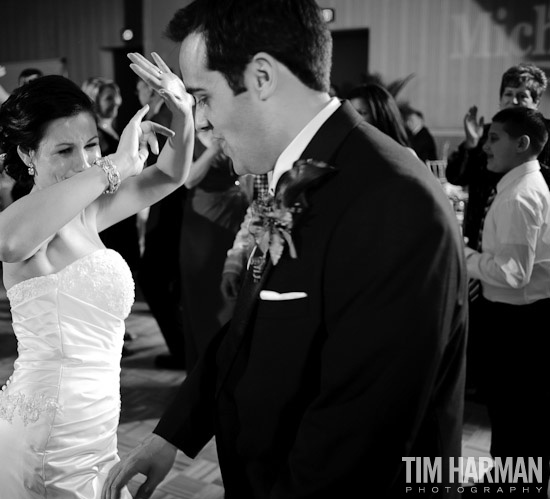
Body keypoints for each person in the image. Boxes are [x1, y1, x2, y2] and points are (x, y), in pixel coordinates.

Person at [104, 1, 467, 498]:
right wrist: (175, 432)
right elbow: (249, 327)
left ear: (261, 77)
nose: (203, 125)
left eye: (204, 98)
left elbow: (356, 440)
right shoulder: (297, 176)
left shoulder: (393, 202)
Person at [0, 63, 193, 498]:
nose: (84, 162)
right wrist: (115, 166)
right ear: (27, 154)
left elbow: (169, 175)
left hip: (96, 433)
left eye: (91, 146)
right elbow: (7, 242)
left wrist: (182, 112)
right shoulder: (24, 225)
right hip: (43, 440)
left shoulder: (88, 212)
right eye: (64, 151)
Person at [445, 63, 550, 397]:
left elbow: (513, 271)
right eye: (509, 94)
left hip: (517, 282)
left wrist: (461, 252)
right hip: (484, 240)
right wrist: (471, 144)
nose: (515, 100)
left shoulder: (529, 159)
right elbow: (458, 177)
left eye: (524, 95)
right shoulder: (492, 135)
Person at [464, 106, 550, 495]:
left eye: (494, 138)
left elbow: (514, 274)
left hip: (520, 322)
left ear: (522, 144)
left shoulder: (520, 195)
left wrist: (462, 254)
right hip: (520, 318)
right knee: (515, 416)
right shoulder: (518, 186)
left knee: (517, 416)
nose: (485, 146)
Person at [180, 129, 248, 370]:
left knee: (230, 292)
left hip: (236, 213)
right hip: (204, 223)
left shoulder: (234, 127)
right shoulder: (190, 136)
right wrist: (216, 147)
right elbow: (188, 180)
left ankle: (228, 361)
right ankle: (203, 365)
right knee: (204, 295)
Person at [135, 77, 187, 369]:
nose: (136, 91)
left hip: (168, 207)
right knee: (165, 283)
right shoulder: (163, 114)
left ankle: (181, 349)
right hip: (165, 206)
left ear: (153, 90)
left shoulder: (164, 116)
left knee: (153, 279)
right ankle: (182, 347)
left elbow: (158, 166)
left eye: (141, 86)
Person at [82, 77, 141, 273]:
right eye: (109, 98)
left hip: (123, 201)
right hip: (109, 205)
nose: (116, 102)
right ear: (95, 101)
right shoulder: (95, 134)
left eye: (116, 97)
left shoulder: (113, 129)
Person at [348, 83, 413, 150]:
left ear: (381, 116)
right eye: (350, 113)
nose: (353, 118)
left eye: (362, 113)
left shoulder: (403, 153)